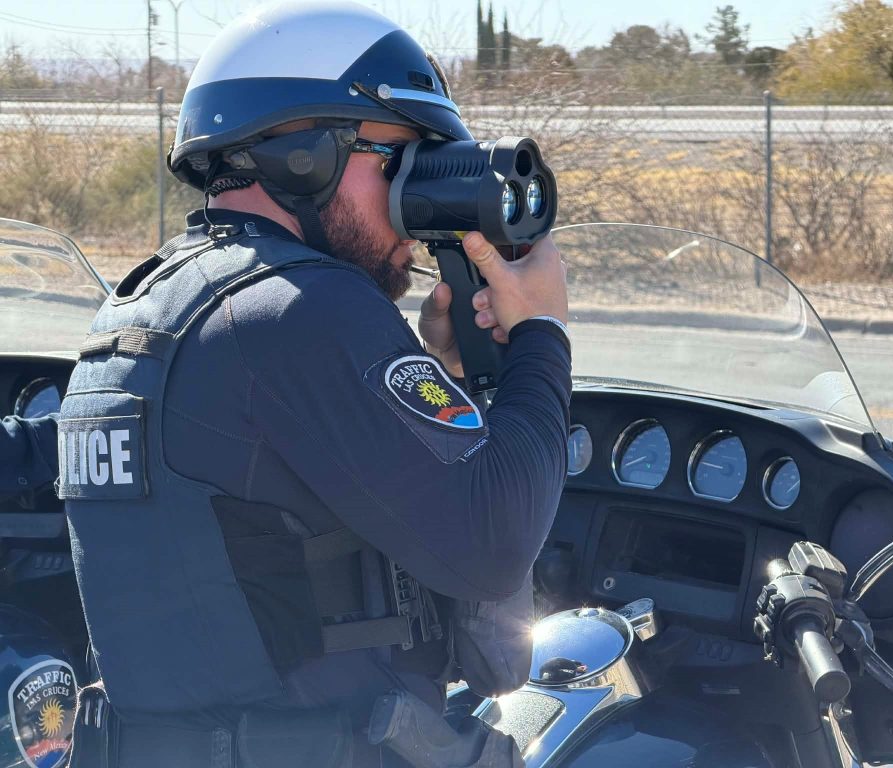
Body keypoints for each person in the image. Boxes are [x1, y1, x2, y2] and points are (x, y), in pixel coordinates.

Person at [57, 2, 570, 766]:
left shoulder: (146, 310)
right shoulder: (307, 308)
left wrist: (453, 376)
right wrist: (540, 337)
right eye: (402, 161)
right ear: (307, 155)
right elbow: (492, 543)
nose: (412, 207)